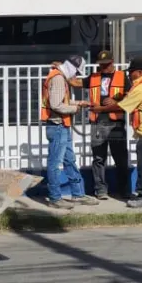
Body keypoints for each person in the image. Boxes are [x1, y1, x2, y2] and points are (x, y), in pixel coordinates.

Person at [91, 57, 142, 209]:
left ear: (139, 72)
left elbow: (123, 106)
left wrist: (100, 109)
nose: (129, 75)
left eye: (131, 72)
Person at [39, 54, 98, 209]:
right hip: (57, 126)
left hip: (61, 126)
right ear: (72, 68)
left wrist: (80, 102)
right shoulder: (58, 78)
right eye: (77, 72)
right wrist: (75, 108)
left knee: (69, 161)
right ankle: (55, 198)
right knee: (55, 163)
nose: (76, 76)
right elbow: (56, 105)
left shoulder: (58, 76)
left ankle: (78, 194)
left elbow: (61, 100)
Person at [87, 49, 130, 201]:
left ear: (112, 62)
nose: (103, 67)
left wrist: (116, 100)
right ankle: (100, 190)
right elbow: (76, 82)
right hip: (97, 122)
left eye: (106, 64)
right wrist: (61, 69)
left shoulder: (122, 76)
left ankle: (124, 190)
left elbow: (130, 96)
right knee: (99, 158)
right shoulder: (93, 77)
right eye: (101, 64)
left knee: (121, 158)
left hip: (116, 122)